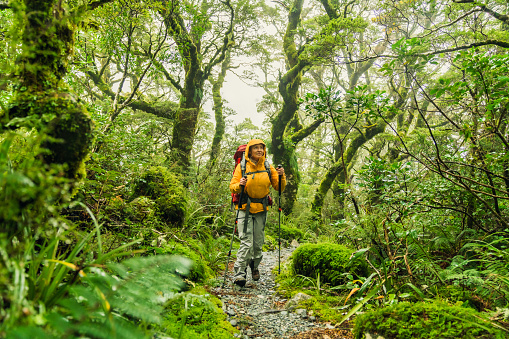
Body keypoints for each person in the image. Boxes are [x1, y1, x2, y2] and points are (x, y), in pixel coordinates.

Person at [229, 139, 286, 287]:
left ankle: (254, 267)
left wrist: (281, 176)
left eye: (261, 148)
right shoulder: (242, 166)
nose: (260, 150)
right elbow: (232, 186)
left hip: (261, 209)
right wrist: (239, 185)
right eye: (256, 148)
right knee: (246, 242)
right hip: (244, 208)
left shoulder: (268, 166)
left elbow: (278, 187)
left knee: (258, 243)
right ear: (249, 151)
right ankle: (239, 274)